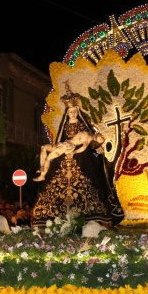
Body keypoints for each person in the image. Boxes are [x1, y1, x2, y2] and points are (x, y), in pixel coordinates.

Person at [32, 82, 124, 228]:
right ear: (67, 113)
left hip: (76, 151)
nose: (72, 114)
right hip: (65, 147)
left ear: (77, 111)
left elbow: (85, 146)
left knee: (83, 161)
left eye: (74, 111)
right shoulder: (66, 125)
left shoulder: (85, 132)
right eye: (70, 112)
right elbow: (61, 139)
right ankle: (43, 173)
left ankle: (92, 211)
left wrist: (75, 151)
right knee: (47, 152)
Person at [33, 131, 104, 182]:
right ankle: (41, 169)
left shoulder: (89, 139)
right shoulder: (89, 132)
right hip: (64, 143)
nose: (101, 138)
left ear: (97, 142)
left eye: (101, 140)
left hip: (67, 146)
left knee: (49, 158)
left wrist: (74, 152)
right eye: (101, 137)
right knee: (43, 147)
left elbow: (83, 148)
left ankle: (42, 176)